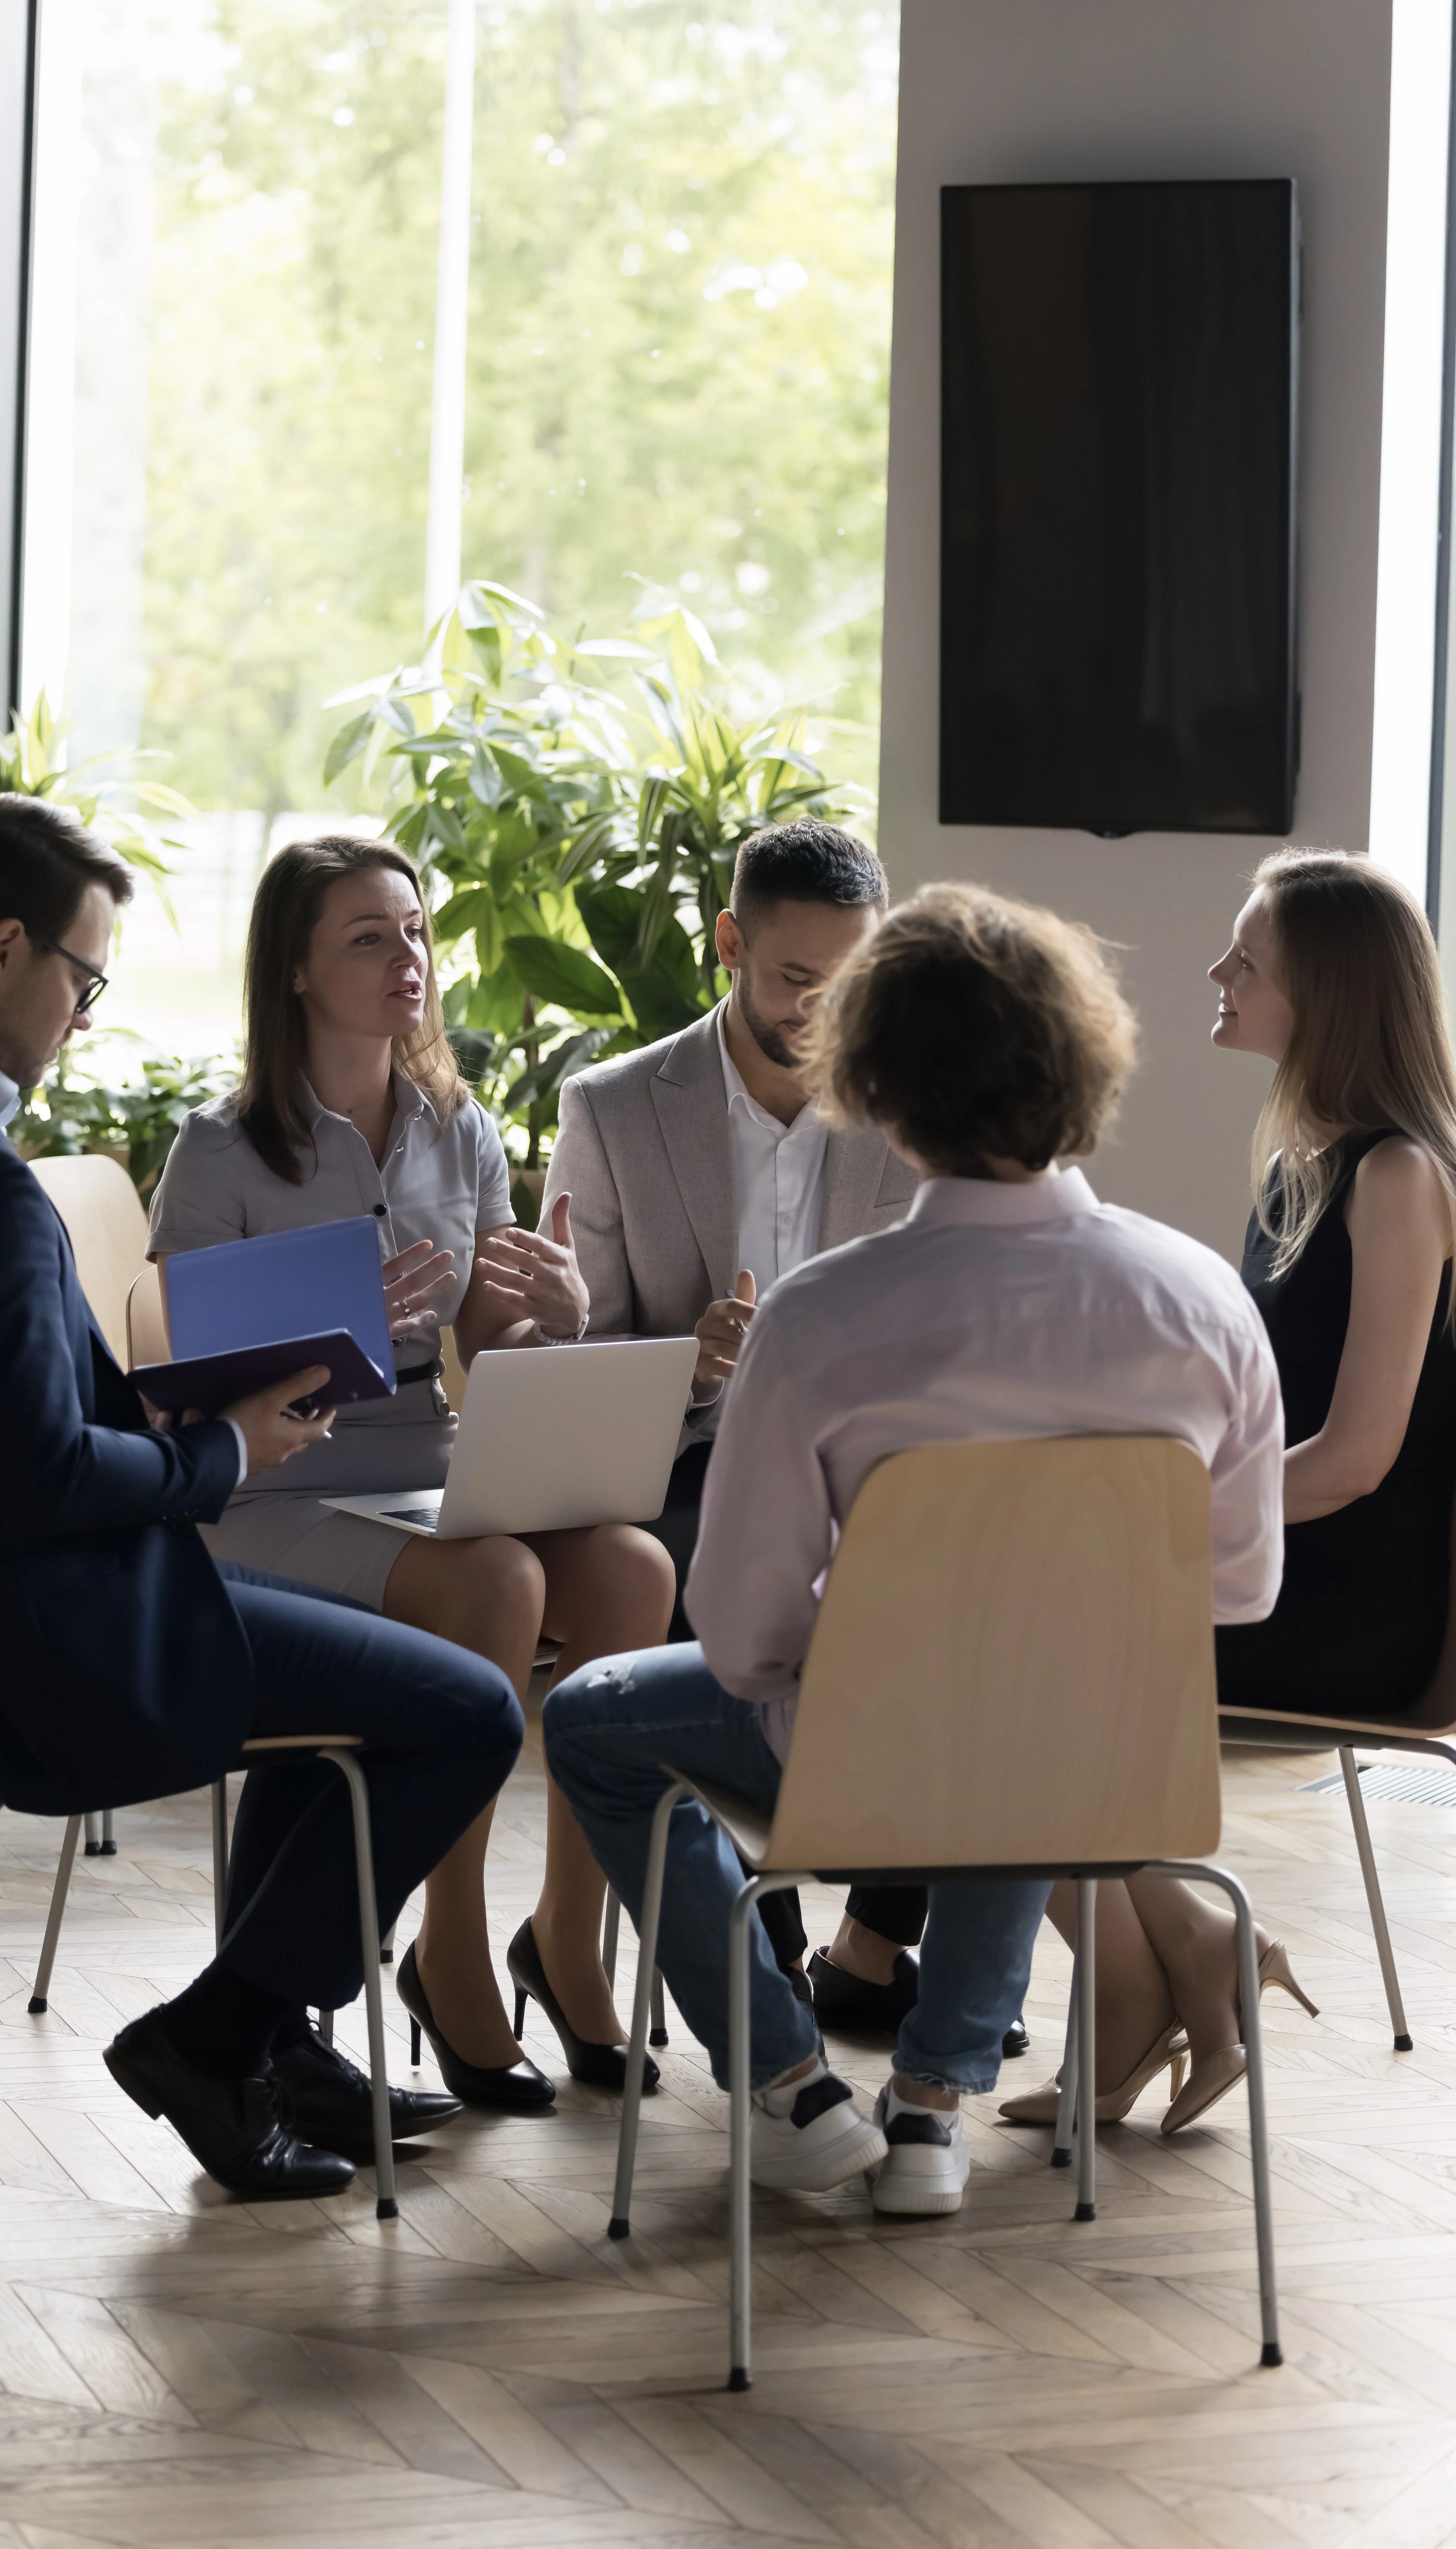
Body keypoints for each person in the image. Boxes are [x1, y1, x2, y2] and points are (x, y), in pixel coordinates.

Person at [0, 794, 526, 2201]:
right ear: (4, 951)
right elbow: (49, 1471)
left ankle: (275, 2046)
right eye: (84, 975)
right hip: (69, 1643)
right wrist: (231, 1452)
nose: (83, 1012)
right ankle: (217, 2032)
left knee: (362, 1692)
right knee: (471, 1708)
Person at [545, 884, 1283, 2217]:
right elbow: (1238, 1586)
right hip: (1101, 1759)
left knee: (593, 1717)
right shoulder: (1204, 1298)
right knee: (1029, 1711)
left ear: (875, 1087)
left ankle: (786, 2081)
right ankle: (935, 2100)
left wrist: (884, 1622)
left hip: (864, 1752)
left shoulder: (826, 1314)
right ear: (1089, 1061)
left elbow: (746, 1631)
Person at [147, 835, 674, 2112]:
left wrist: (545, 1312)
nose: (410, 962)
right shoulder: (223, 1153)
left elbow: (482, 1366)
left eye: (417, 931)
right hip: (273, 1499)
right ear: (296, 973)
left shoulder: (461, 1125)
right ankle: (448, 1946)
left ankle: (565, 1935)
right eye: (369, 939)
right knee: (494, 1581)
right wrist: (337, 1337)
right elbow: (178, 1384)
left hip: (429, 1475)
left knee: (629, 1569)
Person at [1002, 847, 1456, 2139]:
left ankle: (1145, 1988)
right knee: (1017, 1638)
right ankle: (1197, 1947)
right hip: (1284, 1566)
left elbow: (1358, 1456)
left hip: (1349, 1607)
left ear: (1328, 993)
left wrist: (1166, 1527)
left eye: (1249, 959)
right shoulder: (1306, 1167)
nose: (1219, 974)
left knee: (1017, 1650)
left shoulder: (1399, 1179)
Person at [540, 818, 990, 2044]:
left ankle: (879, 1943)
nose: (822, 1010)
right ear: (732, 943)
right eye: (796, 979)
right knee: (706, 1572)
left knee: (973, 1596)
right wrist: (688, 1367)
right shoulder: (616, 1109)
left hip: (870, 1470)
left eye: (850, 983)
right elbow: (569, 1368)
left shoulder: (913, 1112)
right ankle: (769, 1949)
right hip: (686, 1463)